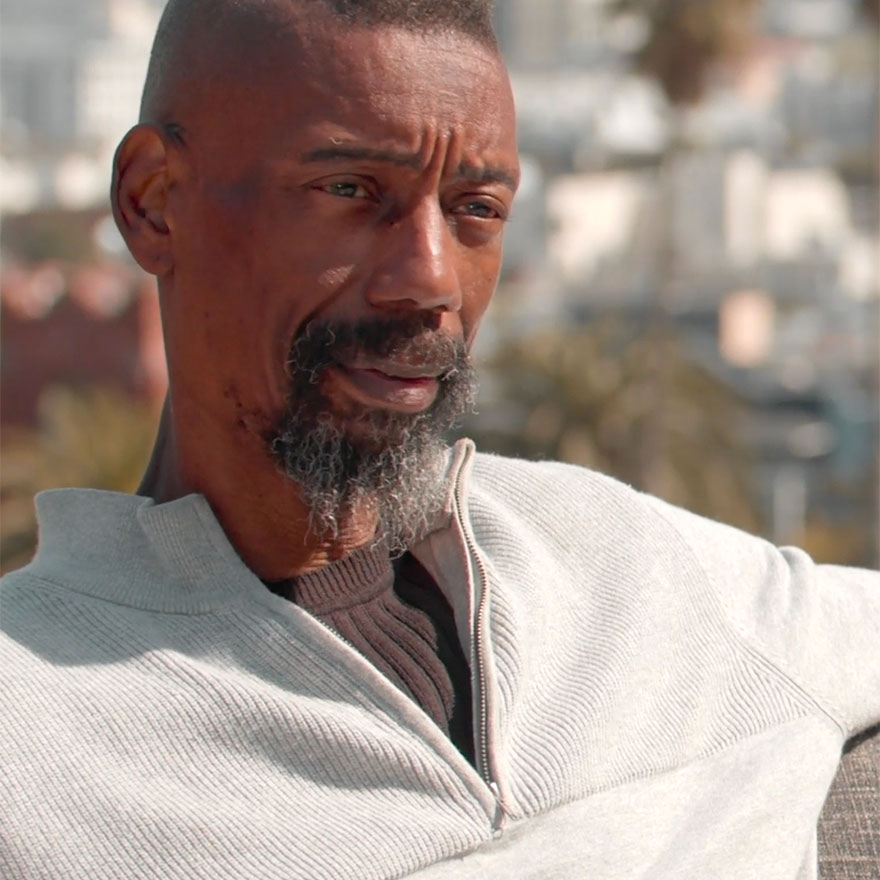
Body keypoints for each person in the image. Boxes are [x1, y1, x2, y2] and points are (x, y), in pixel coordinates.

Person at [1, 1, 878, 878]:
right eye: (348, 191)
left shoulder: (617, 554)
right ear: (153, 203)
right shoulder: (33, 724)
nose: (429, 279)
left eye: (476, 210)